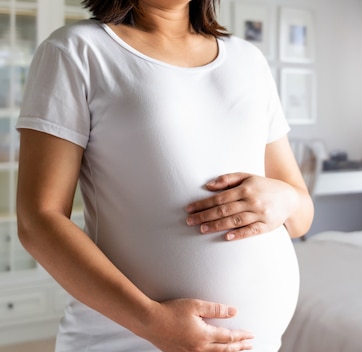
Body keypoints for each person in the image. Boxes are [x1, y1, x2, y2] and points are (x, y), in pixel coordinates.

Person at [15, 0, 314, 351]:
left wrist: (286, 198)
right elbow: (38, 219)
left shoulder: (249, 60)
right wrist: (151, 320)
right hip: (129, 339)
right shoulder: (77, 50)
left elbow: (301, 216)